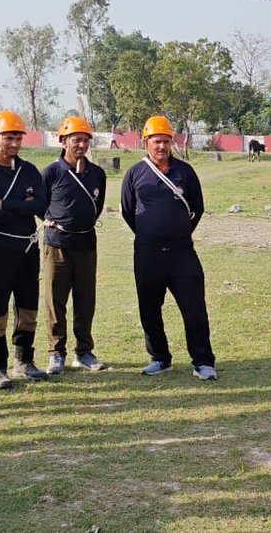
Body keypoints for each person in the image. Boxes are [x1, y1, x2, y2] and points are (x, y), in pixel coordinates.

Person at [120, 116, 216, 380]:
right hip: (147, 253)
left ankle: (203, 362)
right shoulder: (135, 173)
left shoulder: (185, 172)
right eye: (156, 141)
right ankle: (160, 358)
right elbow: (128, 211)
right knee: (149, 308)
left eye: (165, 141)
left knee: (194, 307)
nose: (161, 146)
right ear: (145, 142)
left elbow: (197, 208)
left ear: (172, 142)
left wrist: (179, 232)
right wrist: (150, 234)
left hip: (182, 253)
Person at [0, 111, 49, 389]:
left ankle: (24, 360)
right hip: (0, 250)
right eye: (8, 137)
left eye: (17, 137)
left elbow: (41, 207)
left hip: (28, 249)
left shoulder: (28, 170)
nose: (14, 143)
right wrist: (22, 202)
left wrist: (6, 203)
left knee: (28, 309)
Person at [41, 116, 107, 374]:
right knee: (55, 300)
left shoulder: (97, 173)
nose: (81, 144)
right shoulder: (51, 172)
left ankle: (84, 351)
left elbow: (96, 207)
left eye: (85, 140)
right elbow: (41, 206)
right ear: (63, 141)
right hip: (56, 244)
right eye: (75, 139)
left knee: (85, 299)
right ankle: (56, 352)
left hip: (86, 242)